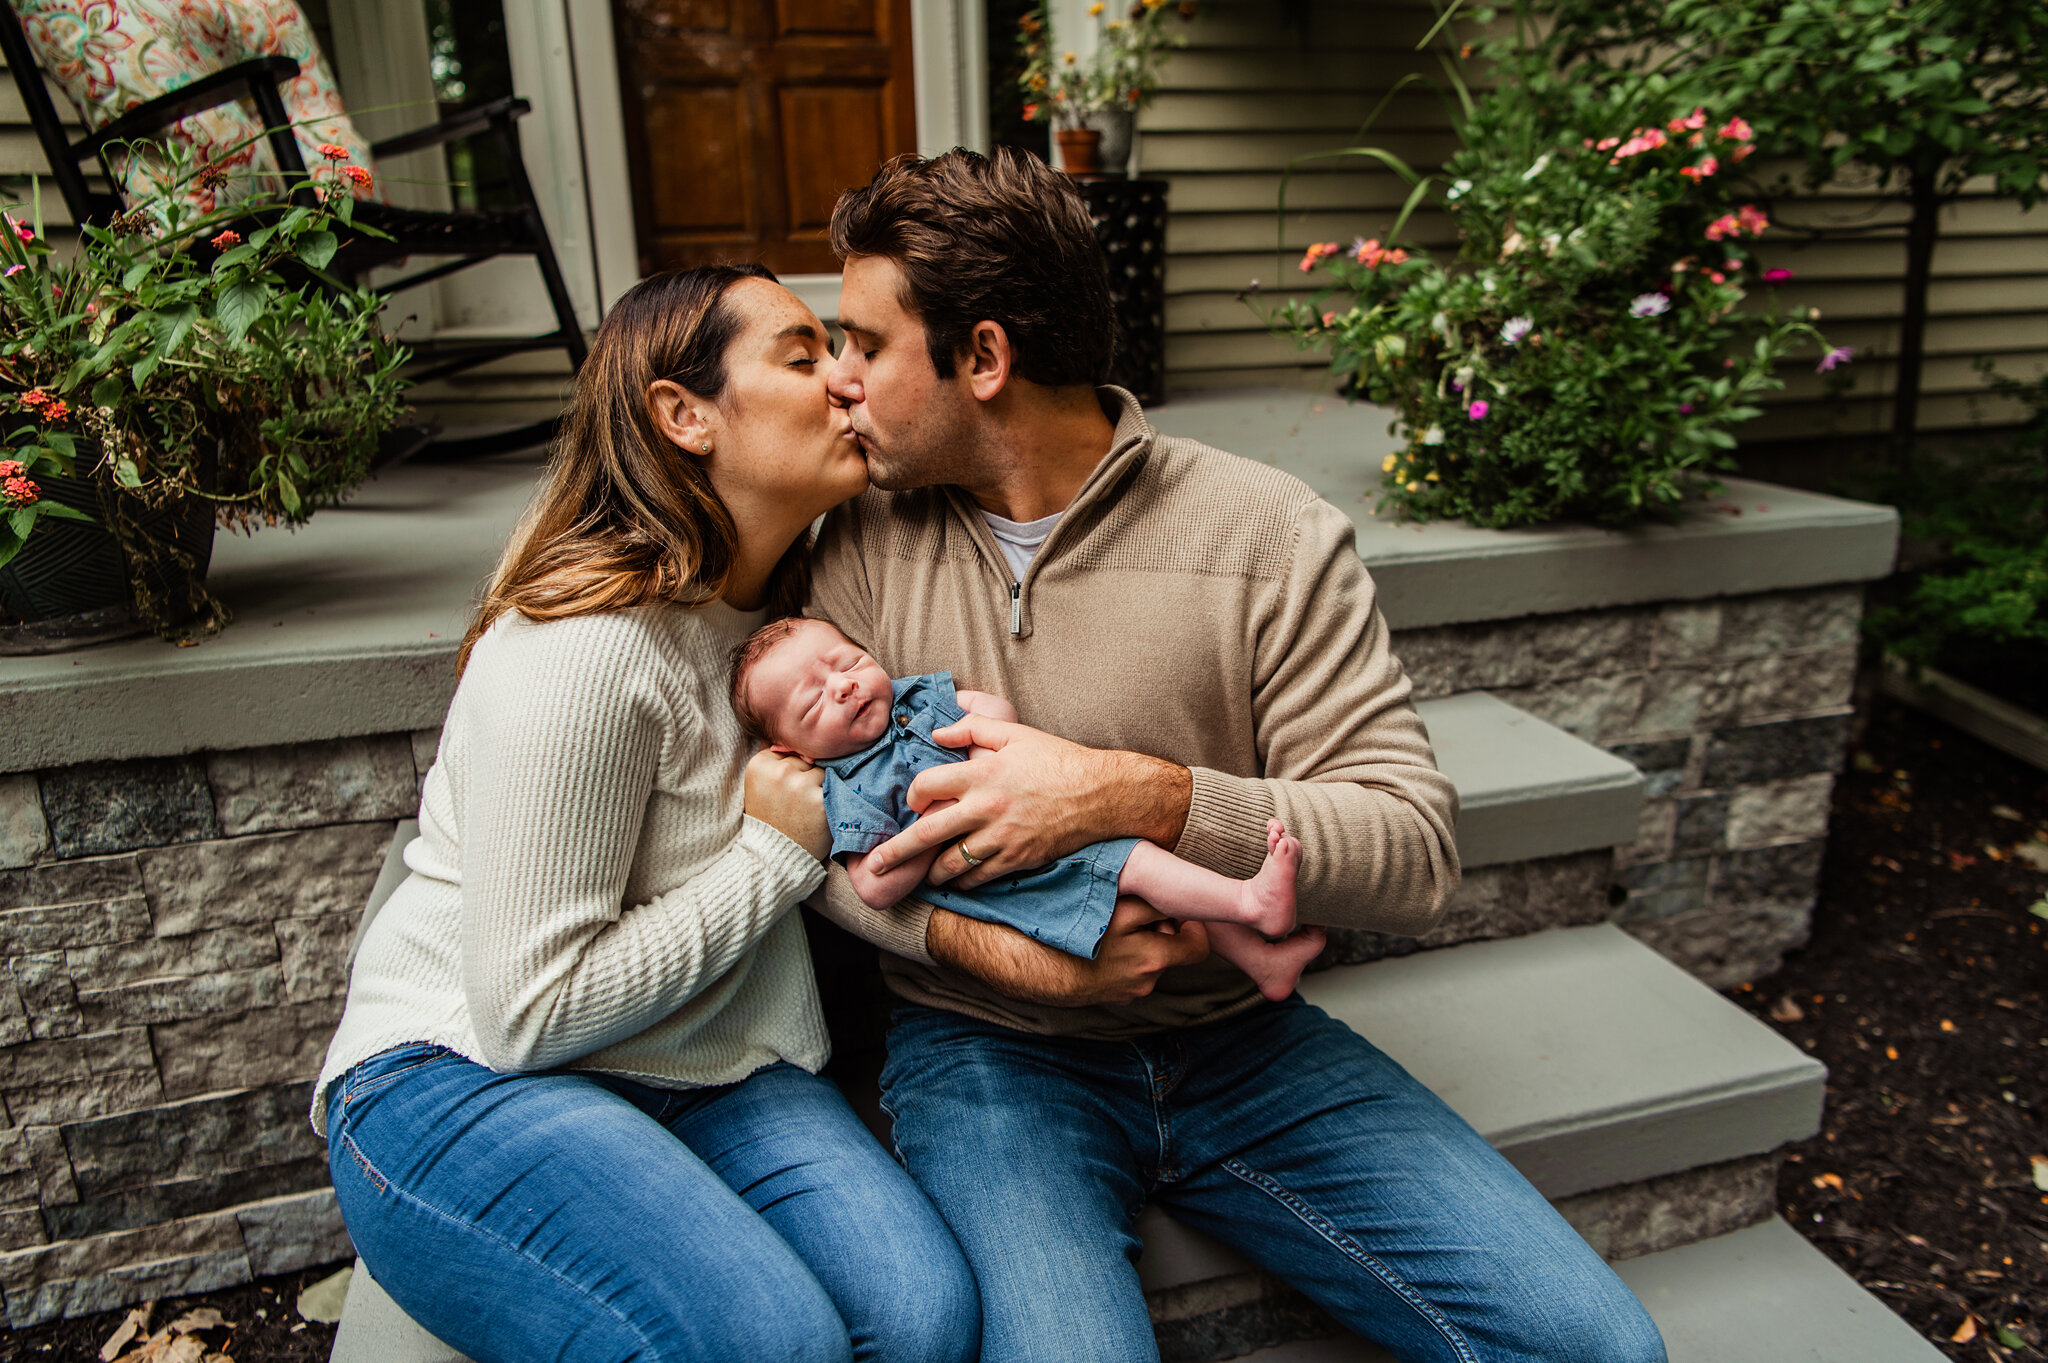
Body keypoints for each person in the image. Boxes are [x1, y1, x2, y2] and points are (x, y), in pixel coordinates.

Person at [802, 148, 1669, 1363]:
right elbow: (805, 838)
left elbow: (1411, 851)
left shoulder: (1267, 533)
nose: (834, 382)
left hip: (1240, 1039)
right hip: (990, 1053)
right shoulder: (855, 544)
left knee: (1597, 1351)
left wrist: (1134, 794)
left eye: (861, 343)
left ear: (983, 358)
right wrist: (1006, 958)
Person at [312, 265, 978, 1363]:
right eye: (802, 355)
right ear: (684, 415)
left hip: (706, 1068)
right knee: (775, 1342)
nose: (847, 381)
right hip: (458, 1079)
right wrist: (773, 852)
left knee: (920, 1318)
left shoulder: (787, 623)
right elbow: (528, 1010)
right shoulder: (587, 650)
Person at [729, 615, 1327, 999]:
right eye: (814, 702)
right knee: (1137, 864)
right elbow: (874, 887)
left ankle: (1257, 959)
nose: (844, 686)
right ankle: (1247, 902)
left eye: (850, 663)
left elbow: (997, 712)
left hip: (1046, 830)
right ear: (789, 747)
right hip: (1006, 884)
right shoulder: (847, 788)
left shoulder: (917, 700)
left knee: (1153, 881)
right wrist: (938, 828)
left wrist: (986, 727)